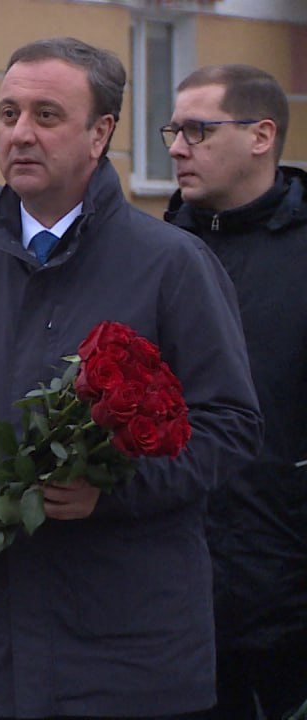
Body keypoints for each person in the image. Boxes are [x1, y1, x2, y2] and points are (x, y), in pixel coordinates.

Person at [0, 37, 262, 719]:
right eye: (8, 114)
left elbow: (231, 426)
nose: (21, 134)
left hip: (133, 656)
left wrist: (111, 492)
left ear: (101, 133)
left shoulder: (172, 264)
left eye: (47, 116)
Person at [162, 64, 307, 720]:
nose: (174, 147)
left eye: (198, 129)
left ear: (261, 136)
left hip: (286, 610)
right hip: (165, 599)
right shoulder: (156, 253)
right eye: (174, 129)